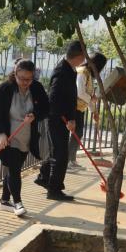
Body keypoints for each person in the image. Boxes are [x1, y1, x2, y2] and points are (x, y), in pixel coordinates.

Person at [0, 60, 49, 216]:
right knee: (14, 169)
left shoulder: (36, 87)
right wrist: (1, 133)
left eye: (29, 79)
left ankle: (4, 201)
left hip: (26, 137)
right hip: (9, 138)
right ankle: (18, 203)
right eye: (21, 78)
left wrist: (35, 115)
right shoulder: (5, 89)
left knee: (13, 169)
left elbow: (46, 108)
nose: (25, 82)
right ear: (15, 73)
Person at [36, 40, 86, 201]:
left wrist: (70, 117)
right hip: (57, 119)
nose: (84, 59)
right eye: (83, 56)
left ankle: (44, 178)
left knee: (57, 152)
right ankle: (54, 190)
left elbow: (68, 97)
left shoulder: (69, 69)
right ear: (79, 56)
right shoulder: (62, 71)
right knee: (61, 155)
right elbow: (54, 98)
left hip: (61, 118)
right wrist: (68, 119)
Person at [68, 52, 107, 170]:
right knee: (76, 133)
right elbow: (80, 93)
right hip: (73, 108)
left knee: (78, 134)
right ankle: (68, 161)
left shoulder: (88, 74)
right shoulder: (82, 72)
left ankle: (71, 160)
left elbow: (89, 94)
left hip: (80, 108)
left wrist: (94, 112)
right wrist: (91, 99)